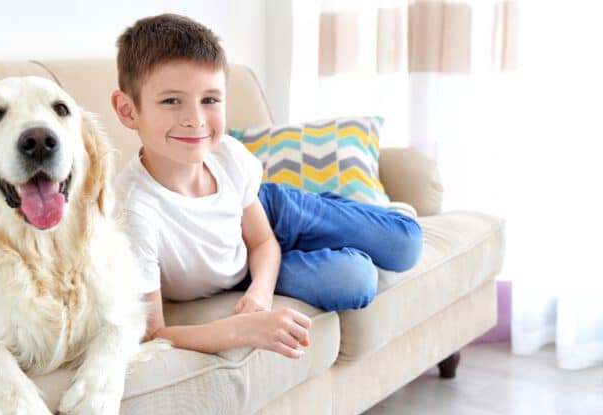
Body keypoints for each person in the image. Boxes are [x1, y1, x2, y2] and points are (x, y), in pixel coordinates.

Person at [112, 13, 423, 360]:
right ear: (127, 110)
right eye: (172, 100)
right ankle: (345, 232)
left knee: (406, 244)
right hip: (238, 268)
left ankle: (357, 212)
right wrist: (245, 322)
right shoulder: (132, 210)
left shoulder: (227, 155)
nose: (195, 118)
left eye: (210, 100)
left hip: (274, 212)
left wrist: (261, 293)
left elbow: (263, 240)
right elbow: (153, 332)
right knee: (357, 280)